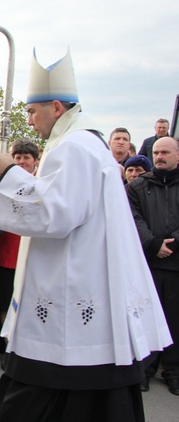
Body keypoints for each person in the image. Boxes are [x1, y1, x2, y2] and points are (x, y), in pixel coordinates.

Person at [0, 49, 170, 421]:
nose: (30, 121)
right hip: (85, 276)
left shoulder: (74, 146)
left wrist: (9, 175)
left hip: (74, 285)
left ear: (55, 106)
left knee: (39, 390)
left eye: (32, 112)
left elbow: (55, 214)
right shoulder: (83, 142)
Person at [127, 136, 179, 395]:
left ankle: (174, 372)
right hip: (147, 262)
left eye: (165, 152)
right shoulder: (137, 186)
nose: (159, 156)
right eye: (156, 152)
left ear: (177, 155)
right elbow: (133, 218)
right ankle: (143, 371)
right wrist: (153, 244)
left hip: (177, 263)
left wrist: (172, 243)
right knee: (145, 317)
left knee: (175, 321)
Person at [0, 138, 39, 354]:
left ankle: (20, 348)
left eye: (26, 158)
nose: (22, 161)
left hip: (30, 256)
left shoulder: (41, 184)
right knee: (3, 302)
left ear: (35, 161)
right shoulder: (1, 184)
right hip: (6, 255)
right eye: (17, 157)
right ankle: (7, 346)